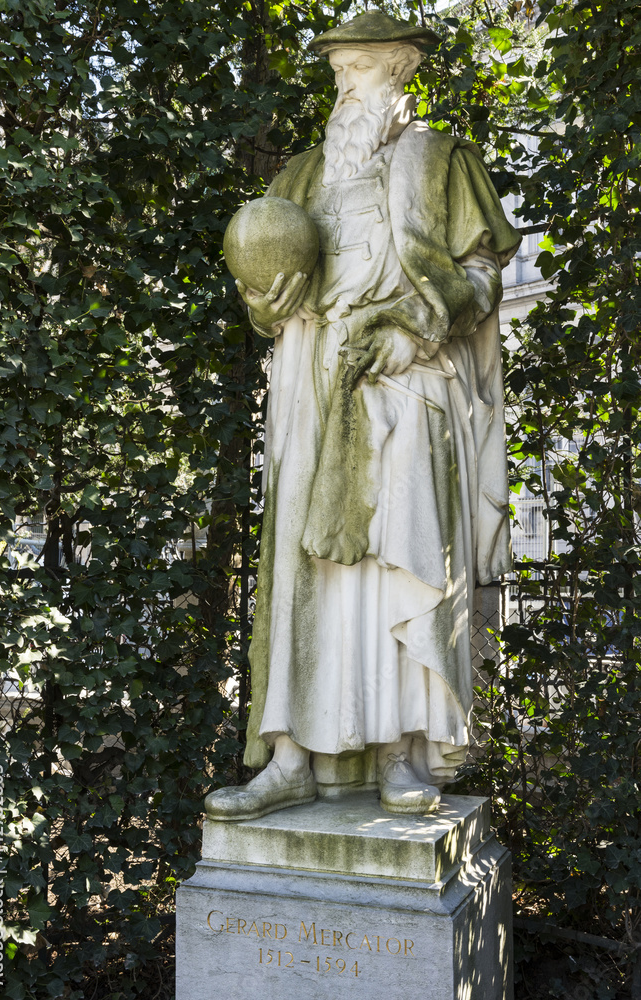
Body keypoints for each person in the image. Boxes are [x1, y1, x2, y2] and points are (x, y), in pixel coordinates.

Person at [206, 10, 520, 820]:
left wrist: (414, 329)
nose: (344, 84)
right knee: (304, 569)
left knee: (398, 567)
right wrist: (264, 303)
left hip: (406, 385)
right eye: (338, 70)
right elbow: (269, 293)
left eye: (359, 69)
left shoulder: (444, 162)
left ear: (401, 69)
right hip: (311, 388)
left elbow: (481, 279)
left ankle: (400, 753)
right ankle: (290, 757)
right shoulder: (300, 176)